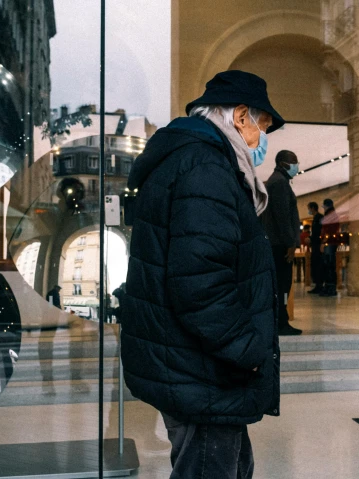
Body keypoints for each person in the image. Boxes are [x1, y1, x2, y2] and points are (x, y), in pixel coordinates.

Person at [121, 70, 283, 478]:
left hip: (191, 365)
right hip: (204, 370)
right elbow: (200, 283)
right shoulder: (206, 169)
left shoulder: (193, 160)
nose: (263, 138)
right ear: (241, 116)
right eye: (263, 125)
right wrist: (247, 351)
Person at [261, 150, 303, 336]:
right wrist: (290, 243)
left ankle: (280, 320)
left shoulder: (278, 181)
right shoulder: (279, 183)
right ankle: (281, 322)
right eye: (294, 161)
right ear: (283, 163)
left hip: (277, 243)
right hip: (280, 245)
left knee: (280, 284)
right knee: (282, 284)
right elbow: (283, 217)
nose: (296, 165)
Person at [320, 198, 341, 297]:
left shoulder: (330, 215)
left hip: (329, 243)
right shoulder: (332, 214)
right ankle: (330, 286)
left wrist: (324, 242)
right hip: (331, 242)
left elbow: (328, 231)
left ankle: (330, 287)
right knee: (329, 265)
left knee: (328, 264)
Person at [307, 202, 325, 294]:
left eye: (309, 208)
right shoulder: (315, 218)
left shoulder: (319, 218)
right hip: (315, 245)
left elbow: (318, 232)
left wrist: (311, 238)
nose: (308, 211)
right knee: (315, 265)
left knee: (318, 265)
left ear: (313, 208)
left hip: (318, 245)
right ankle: (318, 285)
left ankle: (319, 285)